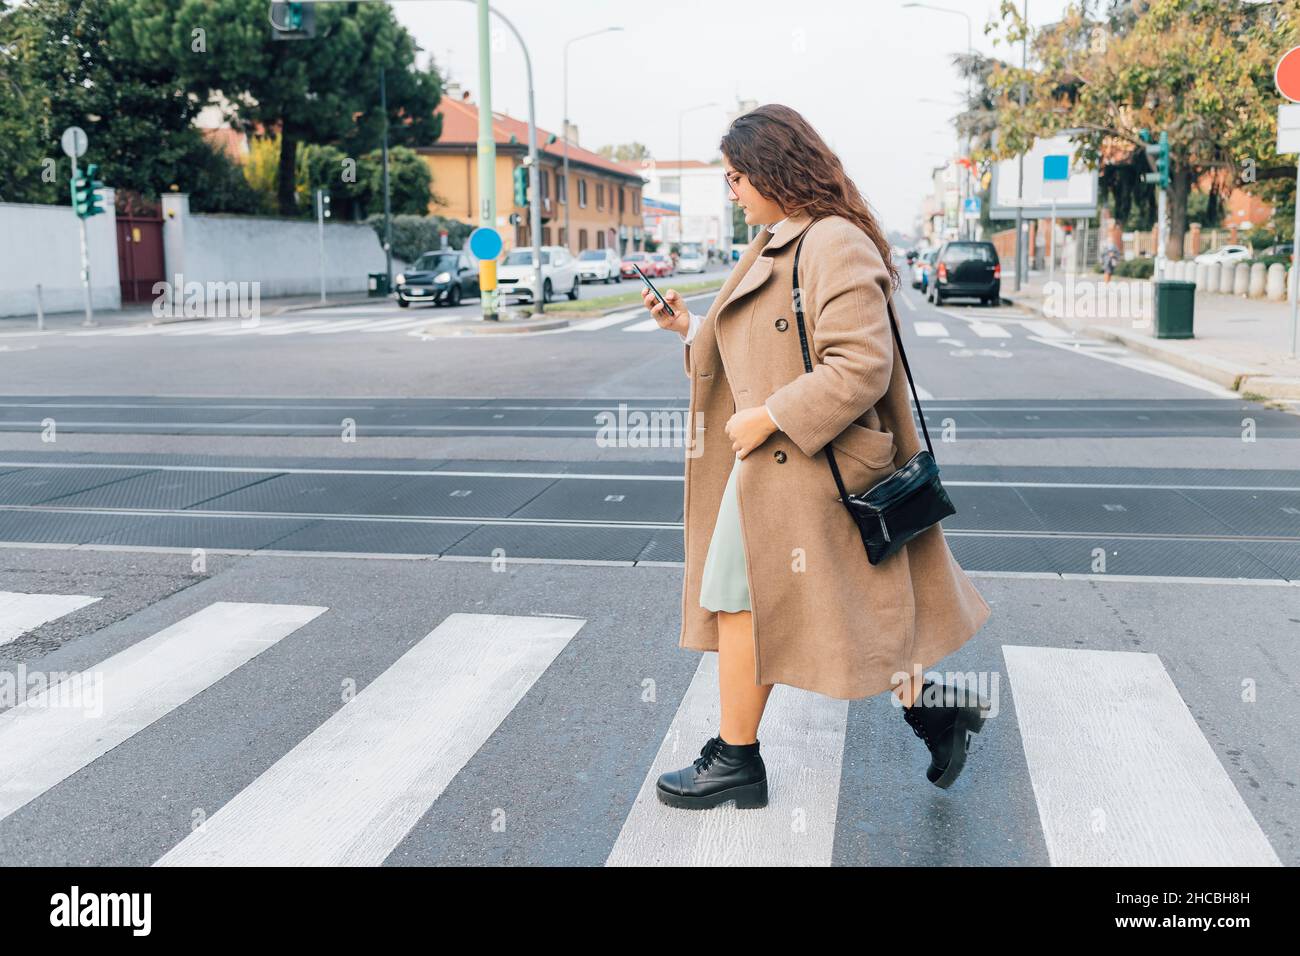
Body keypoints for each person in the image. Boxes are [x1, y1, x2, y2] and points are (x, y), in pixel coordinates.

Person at [640, 104, 992, 811]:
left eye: (738, 176)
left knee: (762, 602)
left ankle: (737, 757)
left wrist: (771, 415)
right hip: (779, 466)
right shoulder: (780, 238)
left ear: (774, 170)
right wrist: (689, 328)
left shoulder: (834, 242)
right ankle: (933, 711)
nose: (733, 190)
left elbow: (860, 363)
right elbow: (769, 346)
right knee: (810, 610)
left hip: (814, 464)